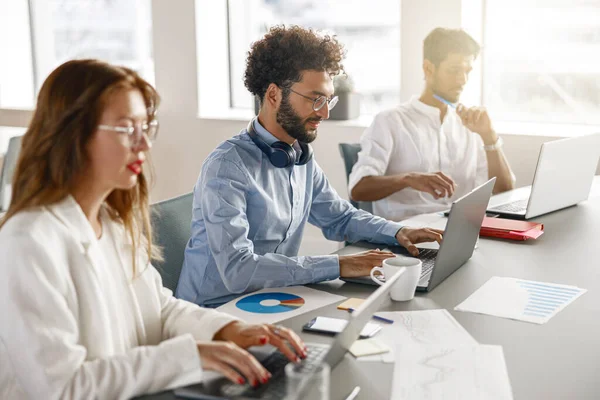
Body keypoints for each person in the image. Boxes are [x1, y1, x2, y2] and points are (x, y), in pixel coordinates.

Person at [0, 59, 306, 400]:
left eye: (146, 128)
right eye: (127, 129)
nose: (144, 144)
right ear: (73, 134)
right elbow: (63, 387)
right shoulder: (26, 242)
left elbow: (159, 309)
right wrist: (192, 356)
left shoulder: (111, 222)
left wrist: (227, 329)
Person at [176, 26, 443, 307]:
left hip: (269, 300)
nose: (325, 112)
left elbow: (339, 218)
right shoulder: (227, 167)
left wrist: (397, 232)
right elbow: (237, 270)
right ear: (273, 95)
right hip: (214, 311)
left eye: (328, 99)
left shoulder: (299, 155)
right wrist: (339, 265)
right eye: (316, 99)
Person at [349, 27, 515, 221]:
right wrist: (408, 179)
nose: (463, 80)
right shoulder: (390, 121)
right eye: (454, 70)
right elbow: (358, 190)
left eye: (467, 71)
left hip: (458, 232)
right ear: (428, 68)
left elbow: (504, 190)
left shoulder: (470, 126)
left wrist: (489, 136)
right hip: (406, 237)